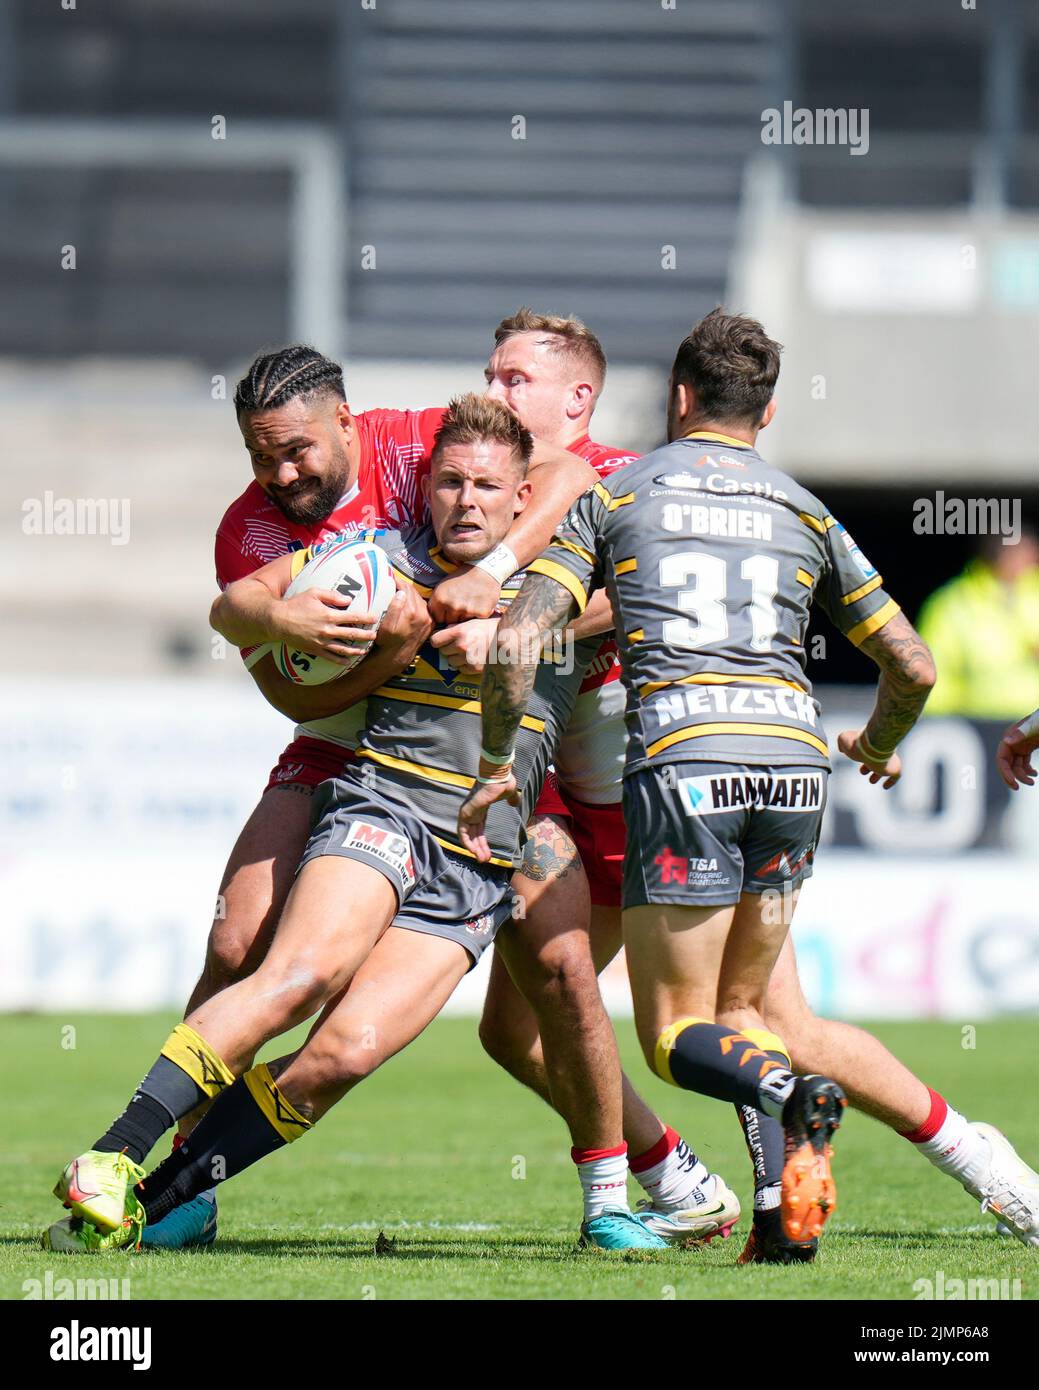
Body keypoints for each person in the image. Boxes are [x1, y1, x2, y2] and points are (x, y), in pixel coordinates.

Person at [469, 310, 1039, 1258]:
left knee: (677, 1031)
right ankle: (940, 1180)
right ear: (767, 413)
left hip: (685, 772)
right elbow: (912, 663)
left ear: (679, 399)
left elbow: (519, 638)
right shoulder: (799, 506)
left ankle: (766, 1123)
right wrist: (878, 743)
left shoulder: (619, 493)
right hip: (792, 765)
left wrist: (494, 764)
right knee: (765, 1018)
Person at [43, 396, 668, 1255]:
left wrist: (512, 633)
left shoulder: (563, 580)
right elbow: (237, 604)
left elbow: (633, 599)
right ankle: (112, 1156)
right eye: (447, 481)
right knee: (298, 975)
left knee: (341, 1056)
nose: (465, 500)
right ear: (426, 488)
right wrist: (342, 632)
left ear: (522, 498)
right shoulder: (379, 561)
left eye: (487, 485)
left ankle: (153, 1204)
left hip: (483, 857)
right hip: (386, 807)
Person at [917, 529, 1039, 719]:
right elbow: (932, 670)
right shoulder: (953, 602)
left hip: (1034, 722)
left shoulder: (1034, 594)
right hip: (978, 723)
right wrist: (936, 719)